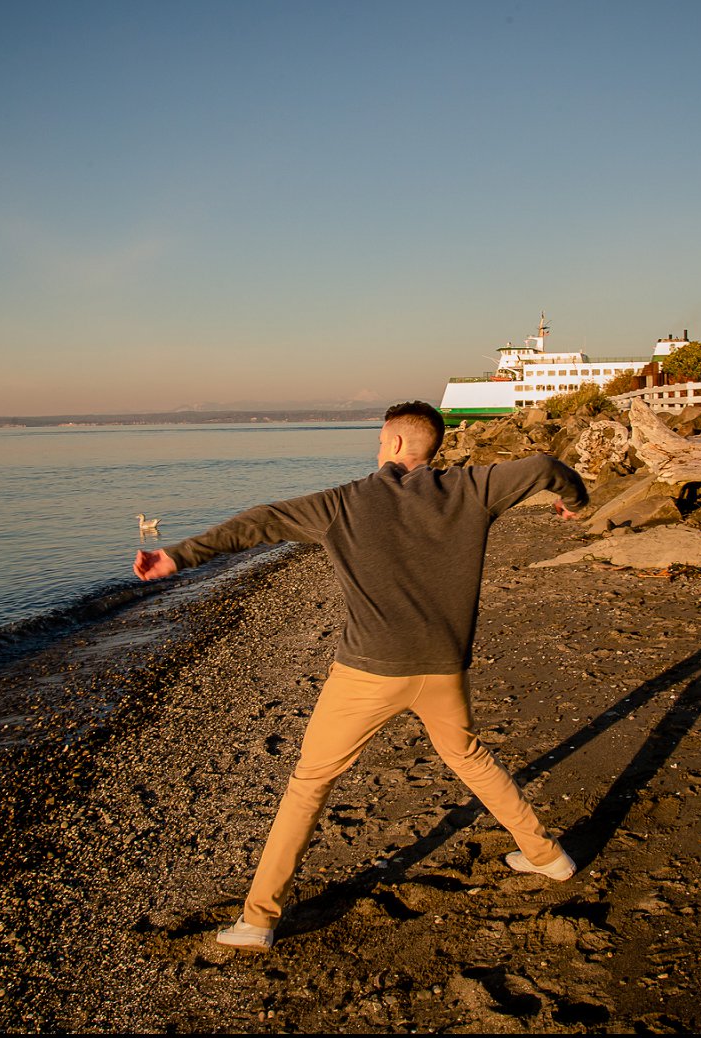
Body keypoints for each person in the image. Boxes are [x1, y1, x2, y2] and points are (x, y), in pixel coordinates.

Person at [132, 401, 590, 951]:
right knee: (469, 758)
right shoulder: (474, 487)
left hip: (367, 673)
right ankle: (546, 855)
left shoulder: (342, 503)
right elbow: (545, 464)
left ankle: (258, 919)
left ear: (396, 445)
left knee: (309, 785)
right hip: (443, 668)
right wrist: (574, 502)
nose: (377, 449)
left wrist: (177, 557)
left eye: (379, 440)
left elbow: (258, 523)